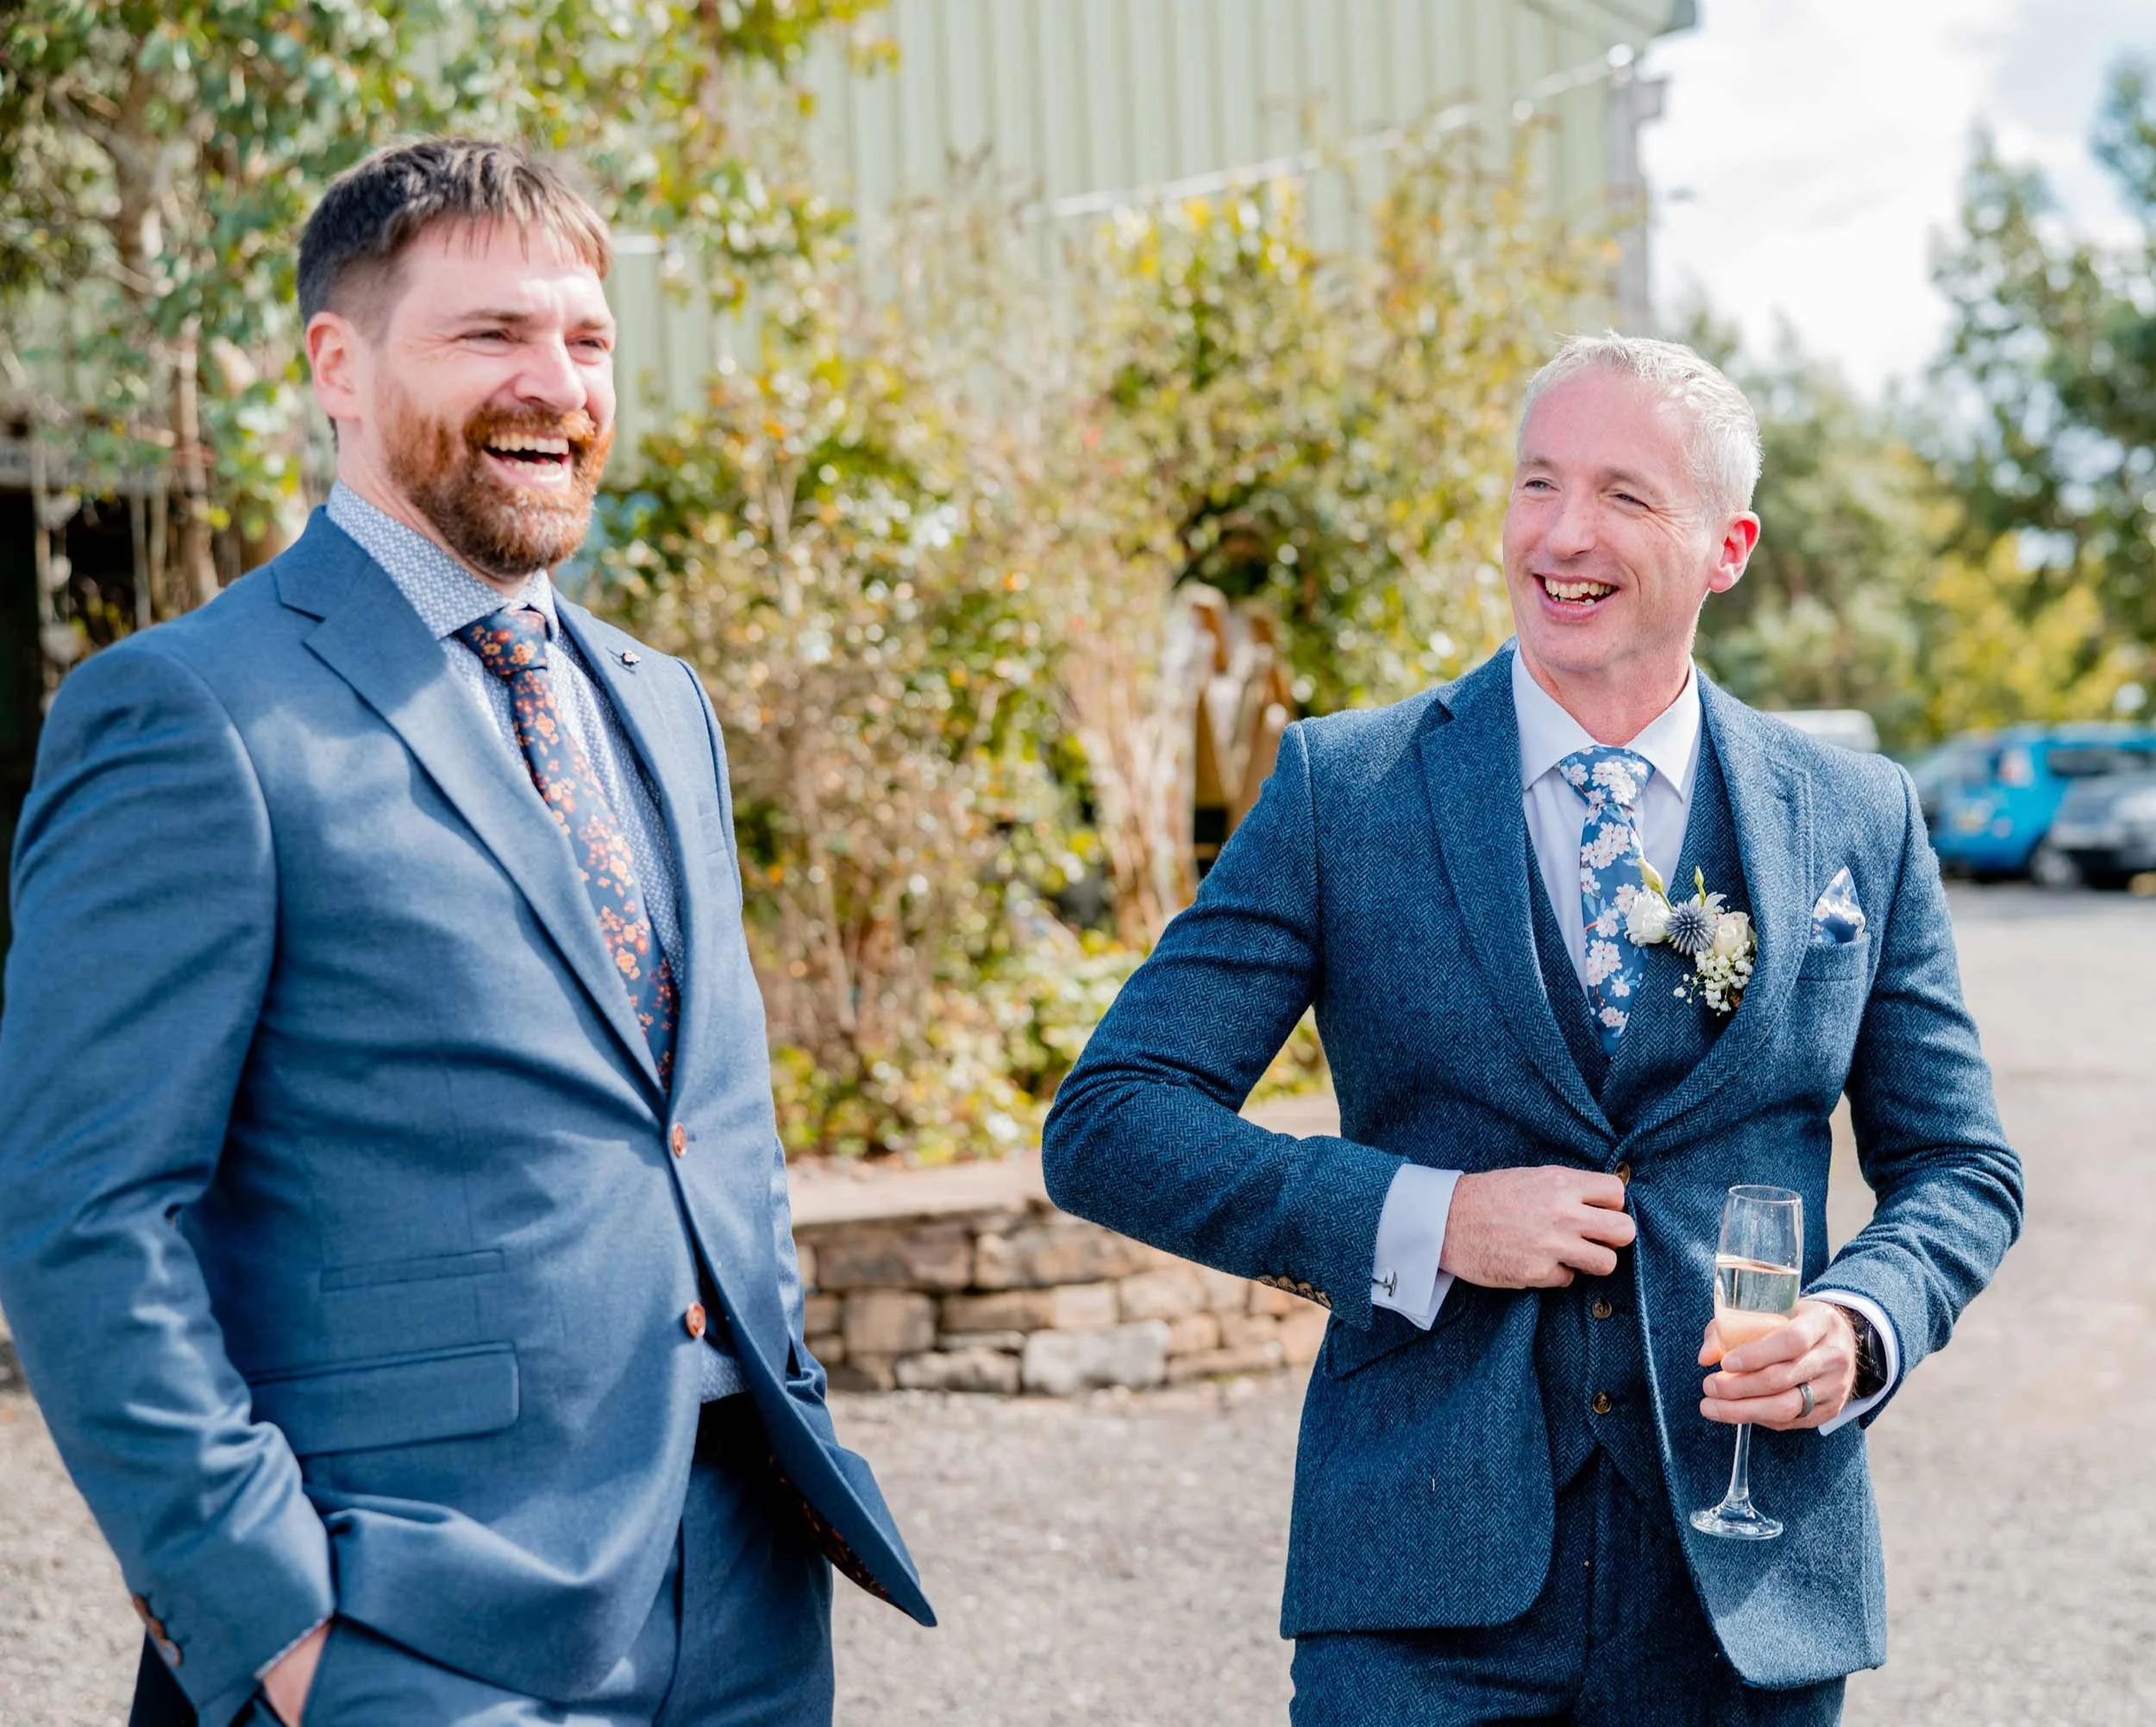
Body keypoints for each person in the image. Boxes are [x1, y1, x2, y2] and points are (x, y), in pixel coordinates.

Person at [0, 138, 930, 1727]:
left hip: (746, 1606)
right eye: (490, 334)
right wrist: (269, 1626)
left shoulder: (660, 702)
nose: (553, 383)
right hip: (406, 1623)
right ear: (337, 367)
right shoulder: (189, 712)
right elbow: (83, 1219)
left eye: (586, 339)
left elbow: (703, 1124)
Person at [1041, 333, 2022, 1724]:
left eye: (1626, 496)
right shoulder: (1349, 788)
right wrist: (1425, 1215)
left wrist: (1862, 1324)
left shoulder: (1857, 814)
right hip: (1421, 1587)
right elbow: (1108, 1120)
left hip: (1743, 1584)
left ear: (1726, 546)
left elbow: (1962, 1169)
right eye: (1538, 483)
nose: (1563, 534)